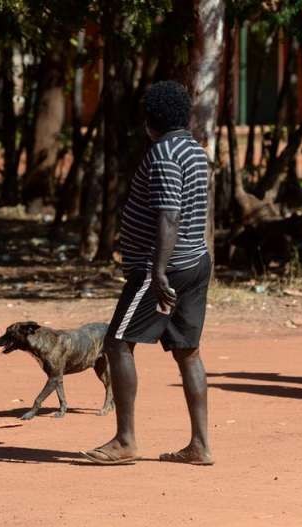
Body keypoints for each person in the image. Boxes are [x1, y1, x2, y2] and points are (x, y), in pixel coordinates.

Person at [81, 81, 213, 465]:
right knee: (188, 352)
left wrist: (156, 271)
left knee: (117, 342)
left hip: (164, 268)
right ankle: (200, 445)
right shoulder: (194, 150)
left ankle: (125, 441)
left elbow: (169, 215)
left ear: (149, 121)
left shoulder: (164, 154)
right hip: (194, 261)